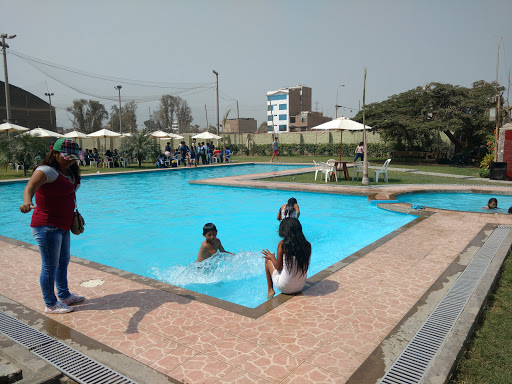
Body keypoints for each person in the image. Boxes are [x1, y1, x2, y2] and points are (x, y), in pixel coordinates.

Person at [19, 138, 85, 314]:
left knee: (63, 262)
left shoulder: (68, 171)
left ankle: (64, 295)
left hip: (63, 225)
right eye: (65, 157)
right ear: (54, 153)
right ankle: (50, 304)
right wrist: (27, 202)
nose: (69, 160)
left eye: (72, 157)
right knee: (49, 265)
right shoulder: (45, 171)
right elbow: (30, 187)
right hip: (46, 226)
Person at [262, 217, 311, 299]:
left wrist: (272, 257)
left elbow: (278, 267)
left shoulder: (282, 245)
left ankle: (270, 290)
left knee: (268, 259)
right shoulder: (307, 245)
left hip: (285, 287)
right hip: (300, 287)